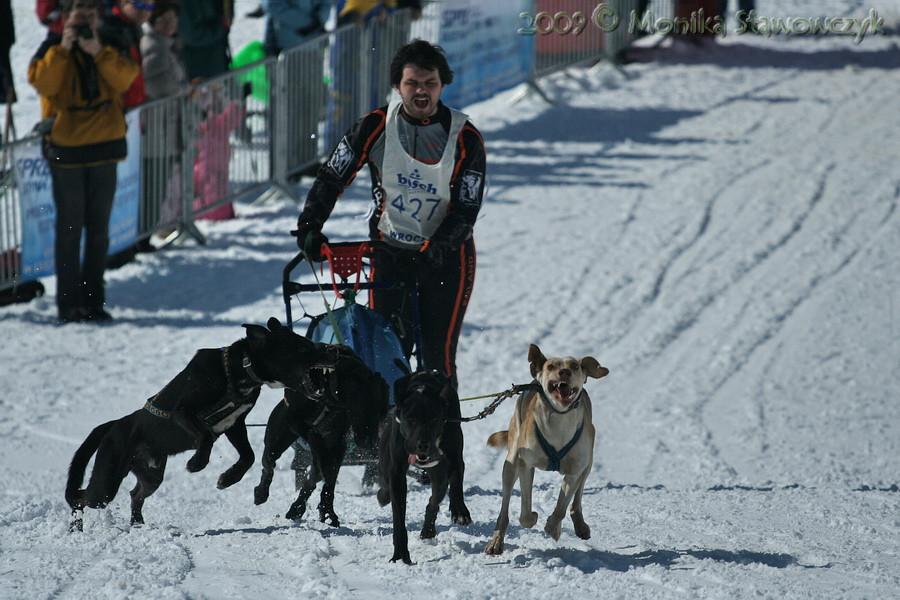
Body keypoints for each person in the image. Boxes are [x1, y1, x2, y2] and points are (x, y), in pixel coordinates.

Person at [295, 40, 486, 382]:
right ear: (397, 86)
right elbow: (333, 175)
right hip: (390, 253)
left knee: (437, 361)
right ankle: (385, 433)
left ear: (443, 85)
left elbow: (465, 211)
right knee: (385, 354)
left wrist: (431, 254)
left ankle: (445, 433)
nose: (421, 92)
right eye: (412, 83)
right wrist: (310, 225)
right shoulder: (375, 126)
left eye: (430, 83)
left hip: (446, 260)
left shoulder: (465, 138)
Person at [28, 0, 139, 322]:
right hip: (67, 151)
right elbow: (44, 84)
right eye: (79, 15)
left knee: (99, 229)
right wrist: (63, 48)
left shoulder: (110, 44)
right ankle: (69, 303)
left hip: (105, 147)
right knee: (69, 228)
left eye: (92, 14)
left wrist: (97, 51)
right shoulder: (51, 47)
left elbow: (125, 80)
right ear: (65, 17)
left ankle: (93, 300)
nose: (86, 20)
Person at [178, 0, 233, 80]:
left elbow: (226, 13)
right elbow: (193, 35)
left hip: (218, 56)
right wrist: (221, 26)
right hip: (201, 64)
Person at [262, 0, 330, 57]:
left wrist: (320, 19)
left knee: (314, 71)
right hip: (287, 46)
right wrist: (307, 24)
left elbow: (326, 3)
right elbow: (272, 5)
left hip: (315, 43)